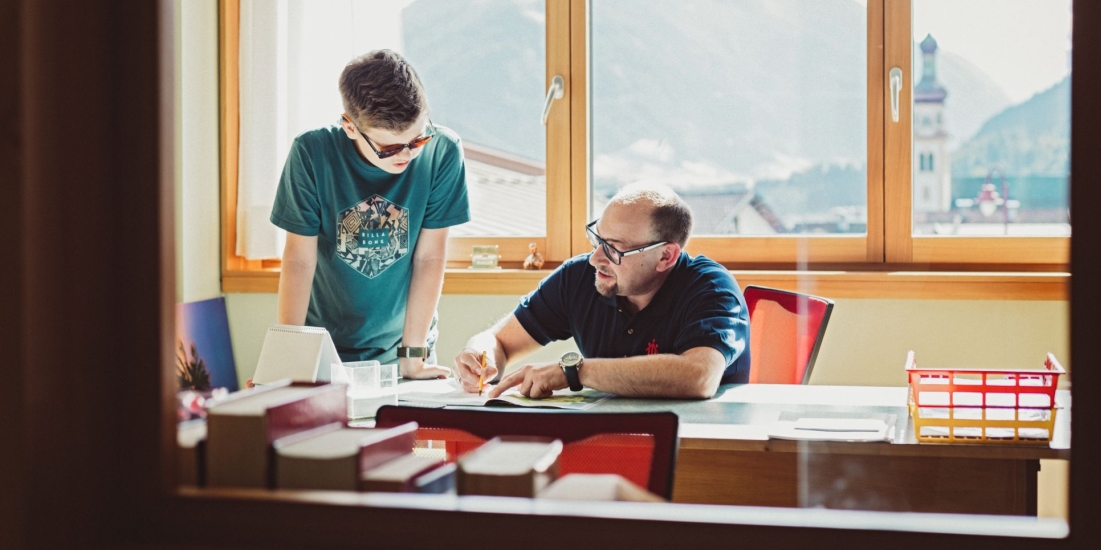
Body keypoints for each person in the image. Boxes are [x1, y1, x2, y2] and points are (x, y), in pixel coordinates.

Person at [270, 49, 468, 380]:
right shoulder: (311, 153)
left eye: (417, 139)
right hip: (324, 351)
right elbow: (299, 261)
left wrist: (412, 356)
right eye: (390, 148)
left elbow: (430, 258)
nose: (407, 155)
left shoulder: (442, 151)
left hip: (407, 350)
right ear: (349, 126)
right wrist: (290, 356)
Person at [453, 184, 750, 399]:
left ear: (666, 257)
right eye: (598, 239)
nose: (596, 258)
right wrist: (479, 356)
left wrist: (574, 372)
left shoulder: (711, 288)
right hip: (613, 442)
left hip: (702, 450)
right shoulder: (581, 277)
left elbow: (700, 377)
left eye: (614, 248)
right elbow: (499, 341)